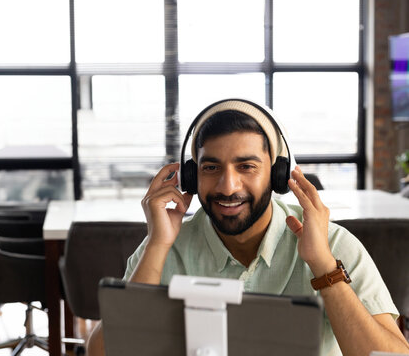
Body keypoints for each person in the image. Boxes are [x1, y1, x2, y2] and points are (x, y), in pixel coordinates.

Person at [87, 99, 409, 356]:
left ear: (277, 174)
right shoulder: (162, 247)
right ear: (190, 176)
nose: (228, 186)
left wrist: (323, 266)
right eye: (211, 167)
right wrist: (157, 247)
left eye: (246, 166)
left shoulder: (334, 244)